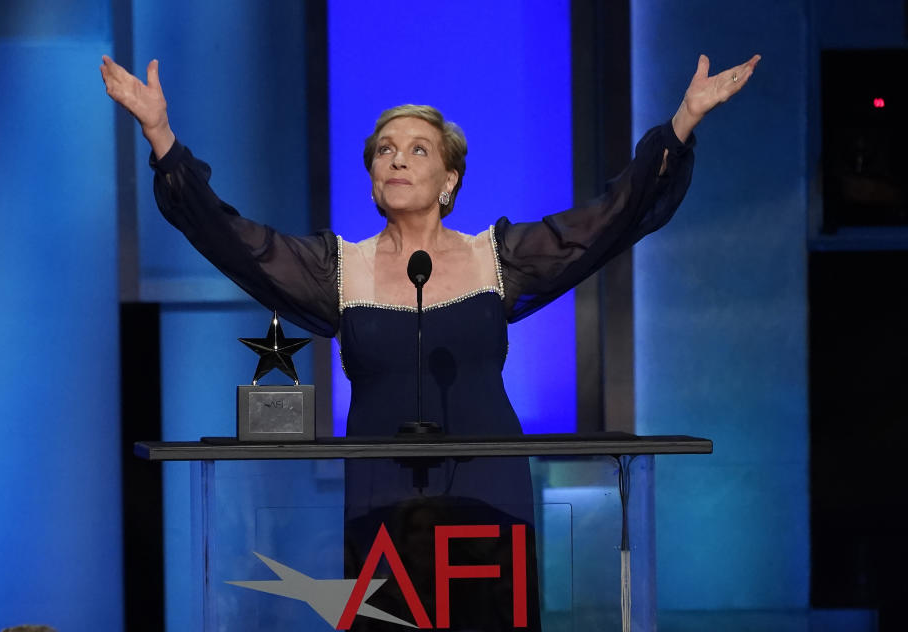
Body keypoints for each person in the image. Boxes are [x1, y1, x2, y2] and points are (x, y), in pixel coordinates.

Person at [101, 52, 759, 629]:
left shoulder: (497, 257)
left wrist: (681, 122)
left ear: (448, 182)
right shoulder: (340, 268)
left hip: (487, 490)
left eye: (418, 149)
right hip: (381, 495)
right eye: (385, 149)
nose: (397, 158)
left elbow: (606, 219)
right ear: (370, 178)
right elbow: (232, 239)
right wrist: (160, 135)